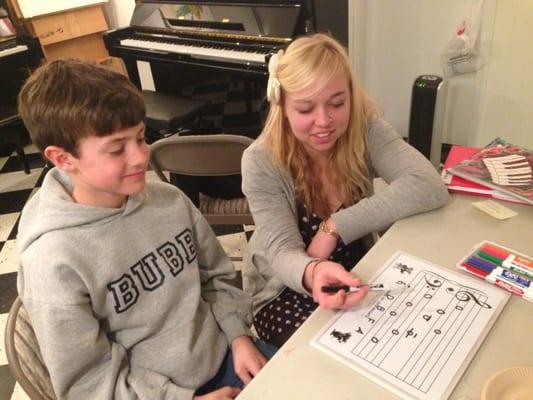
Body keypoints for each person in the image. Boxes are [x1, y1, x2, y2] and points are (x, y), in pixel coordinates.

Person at [16, 59, 276, 400]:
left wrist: (238, 336)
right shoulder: (51, 261)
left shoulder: (168, 200)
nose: (141, 157)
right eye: (116, 149)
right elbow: (88, 385)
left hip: (229, 355)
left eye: (140, 137)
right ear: (63, 159)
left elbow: (216, 277)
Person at [241, 33, 450, 347]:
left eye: (337, 103)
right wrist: (315, 272)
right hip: (287, 288)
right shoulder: (260, 161)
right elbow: (283, 254)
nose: (323, 121)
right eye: (305, 109)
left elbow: (428, 185)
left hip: (357, 268)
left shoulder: (365, 128)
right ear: (282, 106)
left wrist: (336, 226)